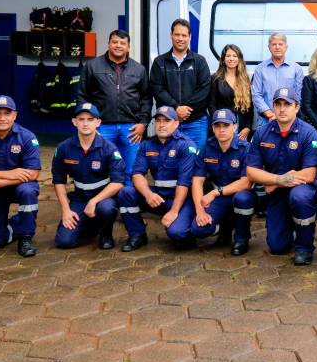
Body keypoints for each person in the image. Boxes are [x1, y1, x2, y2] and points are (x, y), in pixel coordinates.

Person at [246, 87, 317, 265]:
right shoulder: (262, 133)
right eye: (278, 104)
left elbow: (310, 173)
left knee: (299, 198)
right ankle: (290, 228)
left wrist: (274, 183)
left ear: (297, 108)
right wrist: (277, 180)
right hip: (278, 194)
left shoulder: (309, 133)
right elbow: (251, 171)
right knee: (277, 247)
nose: (282, 109)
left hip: (302, 188)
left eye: (287, 104)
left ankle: (304, 247)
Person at [116, 106, 198, 252]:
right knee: (125, 192)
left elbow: (184, 182)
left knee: (177, 233)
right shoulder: (147, 145)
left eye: (166, 121)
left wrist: (174, 211)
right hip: (159, 197)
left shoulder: (186, 145)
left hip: (182, 200)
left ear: (176, 124)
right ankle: (137, 235)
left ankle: (188, 231)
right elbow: (136, 174)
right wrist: (148, 194)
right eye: (158, 121)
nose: (161, 125)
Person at [77, 30, 152, 186]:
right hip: (102, 127)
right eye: (115, 42)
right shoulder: (92, 66)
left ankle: (127, 204)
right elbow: (83, 97)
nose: (119, 46)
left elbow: (146, 99)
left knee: (130, 170)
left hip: (131, 129)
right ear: (109, 44)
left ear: (128, 47)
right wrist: (89, 125)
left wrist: (143, 123)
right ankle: (104, 206)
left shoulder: (139, 69)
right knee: (100, 168)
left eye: (122, 43)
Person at [0, 96, 41, 257]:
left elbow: (33, 173)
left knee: (28, 190)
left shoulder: (27, 137)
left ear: (15, 115)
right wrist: (7, 175)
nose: (2, 118)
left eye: (7, 113)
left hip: (19, 187)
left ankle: (26, 238)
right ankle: (18, 221)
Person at [52, 103, 125, 249]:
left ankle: (105, 235)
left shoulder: (109, 149)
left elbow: (118, 182)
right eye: (81, 119)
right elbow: (59, 181)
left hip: (103, 198)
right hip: (79, 199)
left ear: (98, 123)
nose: (85, 123)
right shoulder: (63, 148)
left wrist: (94, 201)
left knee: (106, 208)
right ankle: (89, 227)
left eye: (90, 119)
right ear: (74, 122)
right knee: (64, 242)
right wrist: (66, 210)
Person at [188, 109, 257, 256]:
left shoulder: (246, 149)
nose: (221, 129)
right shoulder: (206, 149)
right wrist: (200, 211)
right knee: (198, 229)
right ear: (212, 128)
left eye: (225, 125)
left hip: (240, 195)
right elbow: (197, 182)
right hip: (220, 199)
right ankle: (225, 228)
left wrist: (215, 192)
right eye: (217, 126)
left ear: (234, 126)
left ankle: (241, 239)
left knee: (243, 198)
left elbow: (246, 183)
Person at [150, 18, 212, 149]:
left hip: (196, 122)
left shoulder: (199, 61)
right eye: (177, 34)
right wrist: (176, 109)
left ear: (190, 37)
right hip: (168, 122)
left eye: (184, 35)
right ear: (171, 35)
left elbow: (203, 89)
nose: (180, 38)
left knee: (196, 162)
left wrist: (186, 111)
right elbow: (157, 89)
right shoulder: (159, 62)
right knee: (168, 162)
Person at [252, 32, 304, 127]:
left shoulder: (296, 69)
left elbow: (298, 96)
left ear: (286, 47)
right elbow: (256, 95)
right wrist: (271, 115)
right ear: (269, 47)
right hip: (266, 120)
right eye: (274, 44)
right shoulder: (260, 69)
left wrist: (285, 115)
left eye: (280, 44)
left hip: (290, 120)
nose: (277, 47)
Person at [208, 44, 254, 140]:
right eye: (228, 56)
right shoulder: (216, 78)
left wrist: (248, 127)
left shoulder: (245, 79)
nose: (231, 59)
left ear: (239, 59)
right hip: (223, 124)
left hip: (241, 126)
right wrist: (218, 123)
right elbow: (211, 104)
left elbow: (250, 107)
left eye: (234, 56)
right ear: (223, 59)